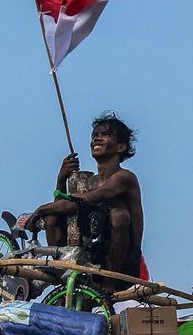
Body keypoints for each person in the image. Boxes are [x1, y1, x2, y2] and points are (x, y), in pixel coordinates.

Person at [25, 114, 146, 281]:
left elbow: (87, 199)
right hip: (95, 256)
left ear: (121, 147)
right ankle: (64, 271)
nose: (97, 138)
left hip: (124, 263)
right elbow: (66, 207)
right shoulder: (90, 181)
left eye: (105, 135)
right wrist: (61, 179)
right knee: (53, 217)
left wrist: (40, 209)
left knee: (119, 216)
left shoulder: (124, 178)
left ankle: (108, 283)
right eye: (95, 135)